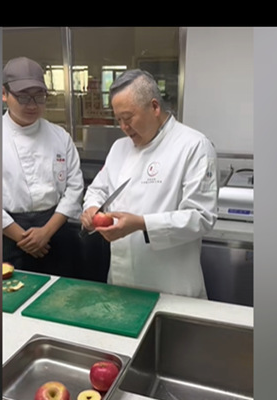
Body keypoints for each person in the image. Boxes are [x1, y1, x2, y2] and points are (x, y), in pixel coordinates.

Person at [80, 69, 219, 299]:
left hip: (170, 286)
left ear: (154, 107)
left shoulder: (194, 146)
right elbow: (98, 189)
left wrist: (141, 224)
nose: (124, 127)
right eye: (118, 120)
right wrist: (92, 208)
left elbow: (201, 217)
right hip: (121, 280)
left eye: (128, 118)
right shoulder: (119, 147)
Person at [2, 56, 84, 277]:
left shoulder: (60, 136)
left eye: (39, 97)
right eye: (23, 97)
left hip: (55, 231)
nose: (32, 105)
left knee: (63, 293)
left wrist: (46, 232)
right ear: (4, 94)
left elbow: (75, 187)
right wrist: (24, 239)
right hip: (8, 235)